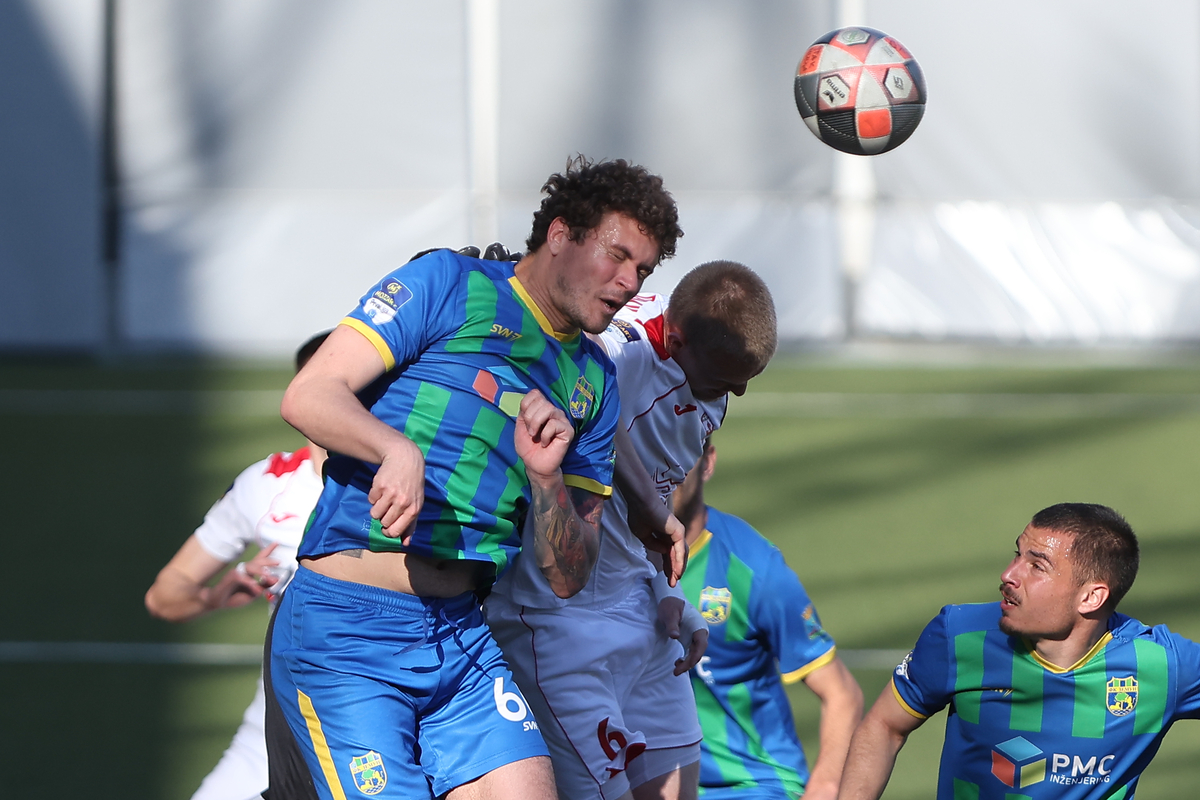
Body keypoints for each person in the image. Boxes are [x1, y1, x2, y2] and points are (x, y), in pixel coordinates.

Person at [266, 157, 683, 800]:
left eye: (644, 271)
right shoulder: (448, 284)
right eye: (617, 256)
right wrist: (392, 449)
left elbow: (569, 575)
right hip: (345, 634)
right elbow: (309, 395)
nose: (629, 282)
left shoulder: (594, 383)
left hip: (460, 635)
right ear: (561, 234)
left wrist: (547, 482)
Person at [485, 260, 779, 800]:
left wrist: (669, 592)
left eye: (744, 381)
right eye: (722, 378)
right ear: (677, 336)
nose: (734, 393)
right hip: (562, 625)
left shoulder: (711, 360)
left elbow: (658, 504)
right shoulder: (621, 348)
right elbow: (580, 389)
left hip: (642, 614)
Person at [837, 502, 1200, 800]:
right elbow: (885, 726)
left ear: (1091, 597)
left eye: (1037, 565)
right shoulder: (961, 636)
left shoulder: (1163, 666)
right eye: (1017, 554)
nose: (1009, 574)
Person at [144, 331, 330, 800]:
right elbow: (166, 594)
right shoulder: (266, 486)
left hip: (378, 719)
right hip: (274, 723)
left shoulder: (413, 483)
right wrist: (215, 594)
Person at [671, 439, 862, 800]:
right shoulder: (609, 554)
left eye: (678, 454)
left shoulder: (754, 567)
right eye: (652, 452)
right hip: (650, 782)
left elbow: (842, 694)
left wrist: (824, 787)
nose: (664, 470)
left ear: (707, 462)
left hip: (752, 786)